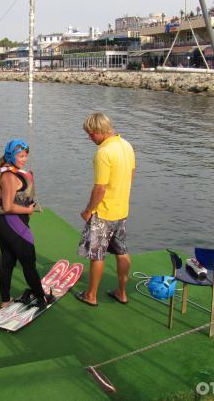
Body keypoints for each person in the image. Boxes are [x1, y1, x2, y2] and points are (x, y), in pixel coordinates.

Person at [75, 112, 136, 307]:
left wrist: (88, 210)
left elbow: (100, 188)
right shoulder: (126, 146)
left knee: (97, 254)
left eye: (91, 133)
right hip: (121, 209)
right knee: (121, 250)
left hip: (103, 212)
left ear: (100, 131)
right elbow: (132, 173)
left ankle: (91, 295)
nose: (89, 137)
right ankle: (122, 292)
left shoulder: (103, 153)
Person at [0, 139, 53, 308]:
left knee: (8, 262)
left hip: (2, 223)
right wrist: (28, 210)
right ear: (11, 155)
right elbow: (8, 206)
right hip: (14, 225)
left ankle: (5, 300)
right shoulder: (9, 177)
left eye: (26, 156)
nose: (24, 159)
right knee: (29, 264)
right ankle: (41, 298)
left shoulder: (2, 169)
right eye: (20, 156)